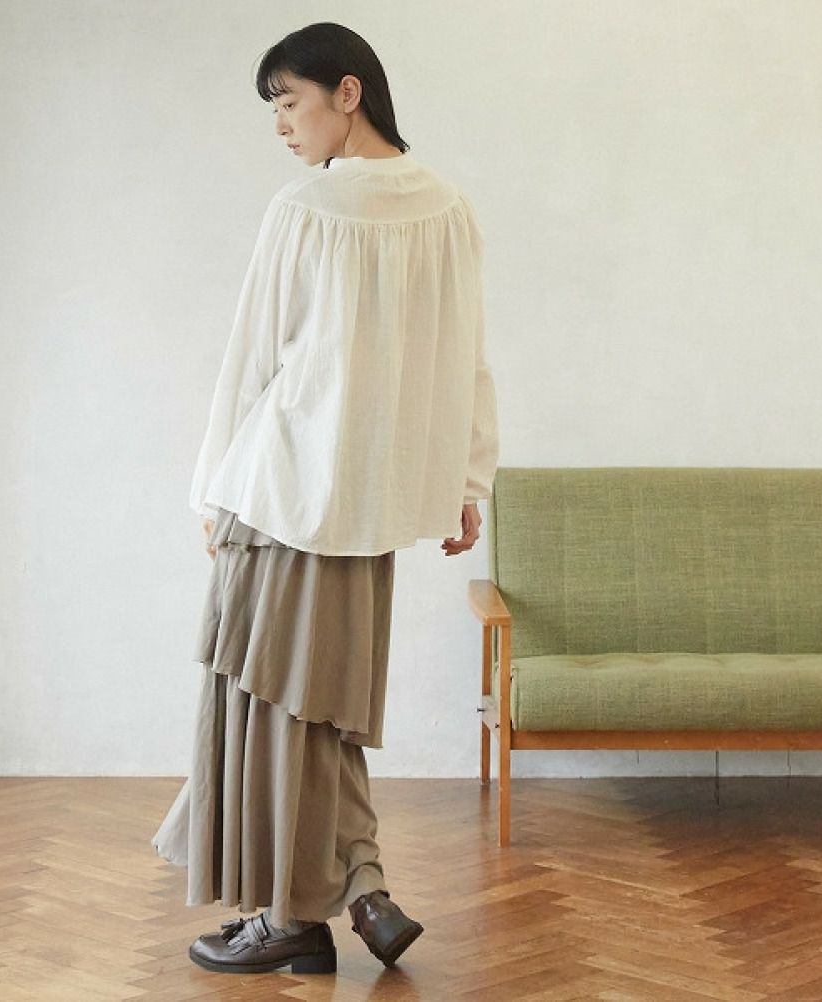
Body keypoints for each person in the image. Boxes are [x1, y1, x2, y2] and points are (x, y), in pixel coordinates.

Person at [151, 21, 499, 976]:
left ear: (349, 93)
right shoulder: (450, 210)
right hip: (367, 509)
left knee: (268, 707)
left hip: (279, 492)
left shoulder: (304, 208)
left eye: (289, 101)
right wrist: (467, 483)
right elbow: (467, 362)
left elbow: (252, 357)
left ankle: (303, 913)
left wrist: (211, 487)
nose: (280, 125)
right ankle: (343, 898)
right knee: (315, 710)